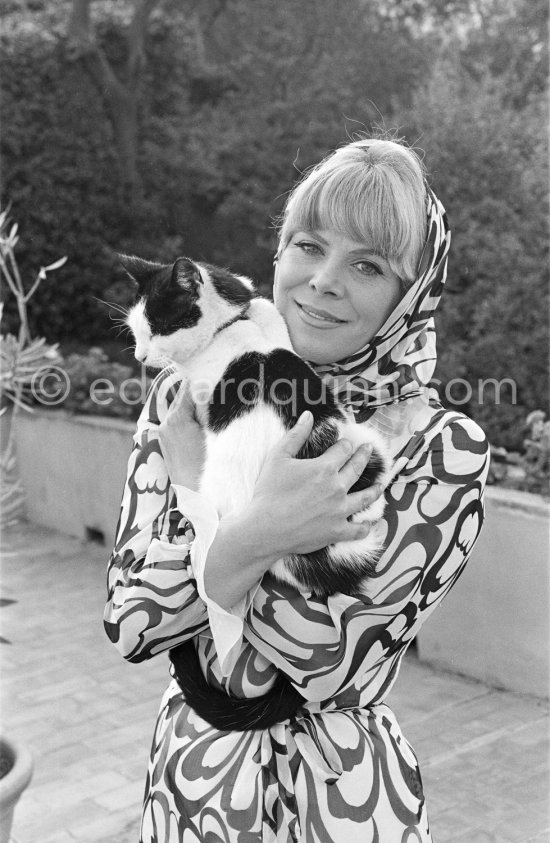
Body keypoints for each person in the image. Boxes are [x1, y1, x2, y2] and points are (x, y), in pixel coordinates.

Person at [104, 138, 489, 842]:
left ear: (411, 297)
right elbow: (133, 622)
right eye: (308, 245)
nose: (322, 281)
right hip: (194, 787)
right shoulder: (185, 394)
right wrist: (260, 537)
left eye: (368, 264)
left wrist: (215, 513)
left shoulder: (442, 448)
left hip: (340, 798)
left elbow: (327, 658)